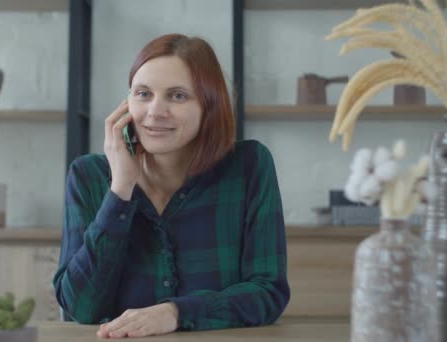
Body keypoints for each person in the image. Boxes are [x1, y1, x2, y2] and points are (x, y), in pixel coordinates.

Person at [53, 33, 289, 338]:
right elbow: (79, 308)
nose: (155, 111)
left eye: (177, 95)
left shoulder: (249, 166)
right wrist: (121, 190)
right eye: (143, 94)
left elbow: (268, 293)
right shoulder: (88, 176)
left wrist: (176, 312)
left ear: (210, 106)